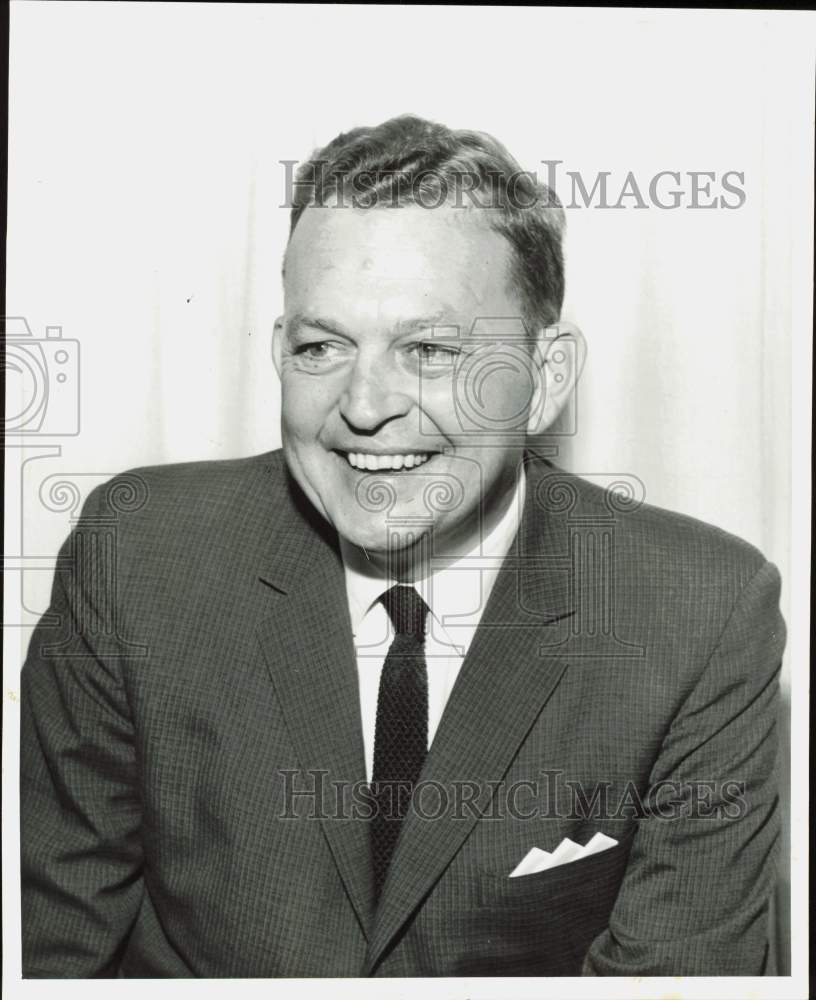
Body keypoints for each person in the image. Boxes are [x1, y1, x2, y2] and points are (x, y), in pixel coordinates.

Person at [20, 115, 785, 978]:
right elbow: (51, 950)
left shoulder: (701, 614)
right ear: (281, 354)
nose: (364, 403)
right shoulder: (137, 556)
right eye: (322, 345)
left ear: (547, 378)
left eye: (428, 348)